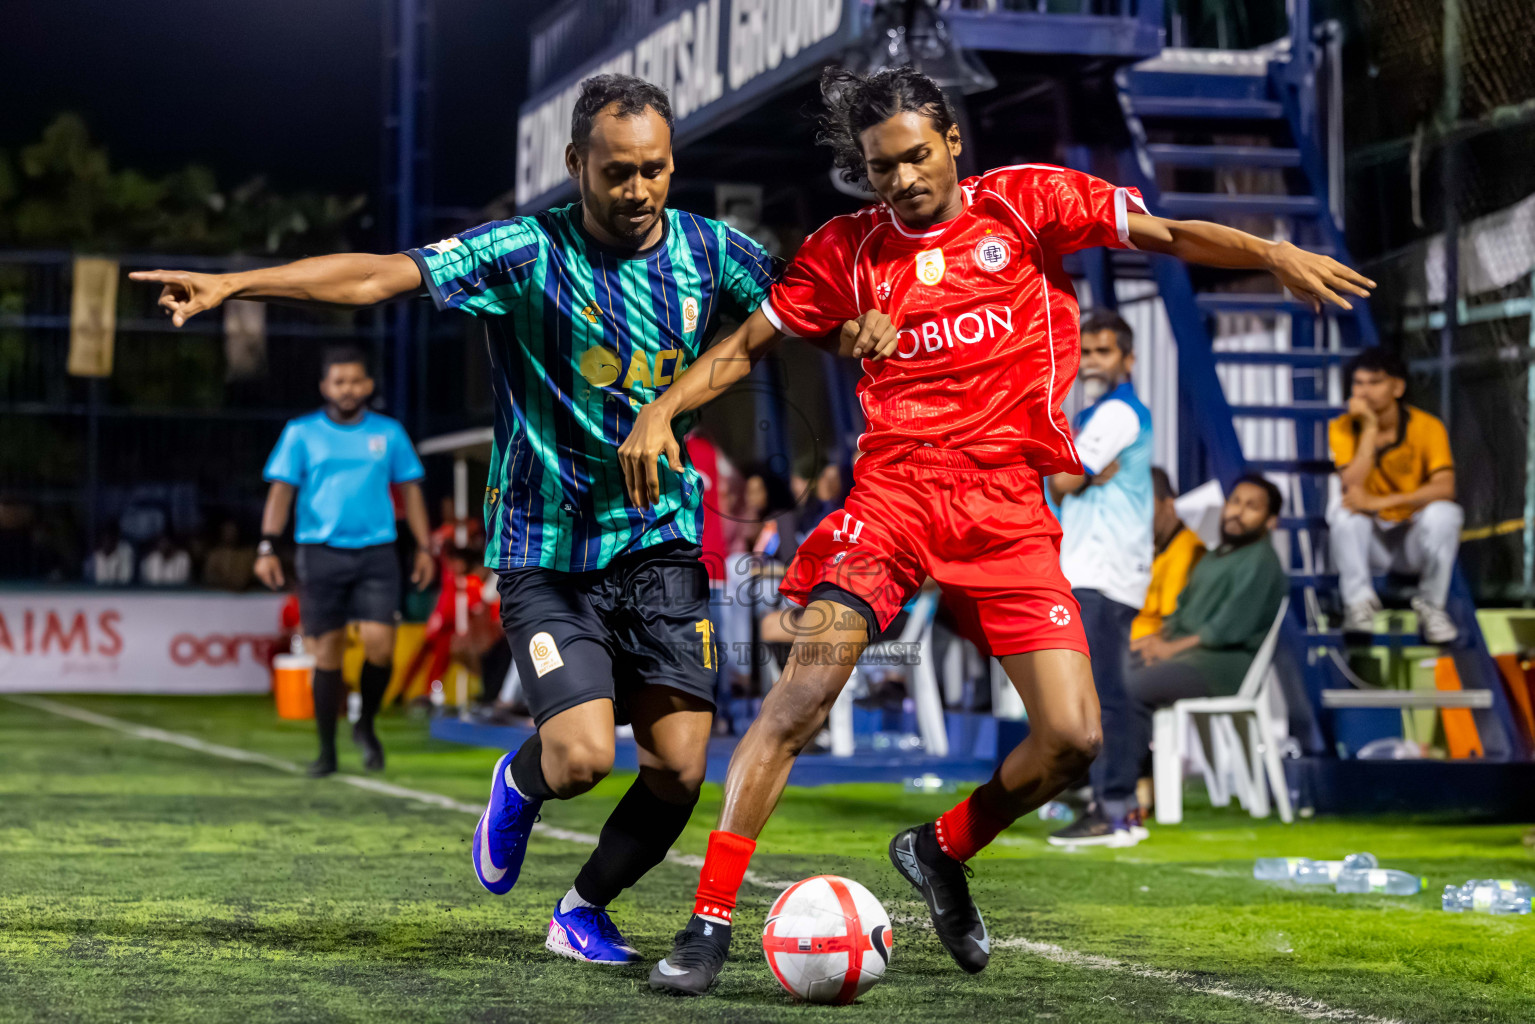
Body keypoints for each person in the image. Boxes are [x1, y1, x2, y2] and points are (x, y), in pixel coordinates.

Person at [620, 65, 1373, 994]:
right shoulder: (847, 251)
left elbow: (1170, 233)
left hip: (1006, 508)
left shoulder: (1025, 204)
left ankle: (940, 849)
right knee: (801, 694)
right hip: (891, 502)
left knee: (1073, 740)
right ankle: (707, 922)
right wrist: (661, 410)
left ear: (951, 142)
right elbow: (745, 345)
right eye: (880, 167)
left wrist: (1268, 251)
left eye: (914, 156)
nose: (901, 179)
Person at [132, 74, 893, 965]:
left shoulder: (712, 249)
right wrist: (236, 284)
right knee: (579, 759)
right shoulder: (524, 250)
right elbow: (379, 276)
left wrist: (859, 329)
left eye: (653, 169)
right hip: (548, 551)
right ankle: (521, 780)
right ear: (576, 163)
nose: (638, 189)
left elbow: (800, 309)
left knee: (681, 768)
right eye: (616, 171)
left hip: (660, 542)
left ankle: (581, 910)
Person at [254, 346, 435, 776]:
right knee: (327, 654)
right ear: (325, 386)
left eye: (355, 381)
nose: (347, 389)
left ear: (368, 385)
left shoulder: (389, 433)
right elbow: (281, 491)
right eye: (339, 382)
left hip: (377, 551)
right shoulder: (301, 433)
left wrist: (426, 547)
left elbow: (410, 491)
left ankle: (365, 723)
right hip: (319, 552)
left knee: (381, 646)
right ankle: (326, 751)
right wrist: (267, 546)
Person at [1091, 474, 1288, 833]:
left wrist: (1168, 649)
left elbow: (1226, 629)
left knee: (1130, 687)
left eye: (1252, 507)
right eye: (1235, 501)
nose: (1237, 512)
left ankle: (1123, 794)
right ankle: (1111, 788)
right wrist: (1149, 643)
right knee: (1108, 674)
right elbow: (1181, 614)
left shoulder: (1261, 561)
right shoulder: (1216, 555)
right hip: (1190, 655)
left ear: (1271, 520)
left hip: (1223, 666)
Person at [1046, 310, 1154, 848]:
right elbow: (1063, 479)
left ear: (1128, 359)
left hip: (1104, 572)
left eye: (1103, 352)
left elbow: (1063, 480)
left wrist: (1067, 473)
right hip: (1091, 569)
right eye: (1085, 351)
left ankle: (1116, 810)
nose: (1090, 362)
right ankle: (1106, 802)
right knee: (1093, 693)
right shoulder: (1092, 416)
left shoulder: (1116, 413)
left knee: (1105, 695)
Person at [1327, 348, 1462, 643]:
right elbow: (1352, 484)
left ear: (1397, 387)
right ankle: (1359, 604)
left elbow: (1445, 488)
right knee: (1342, 511)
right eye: (1358, 383)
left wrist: (1381, 502)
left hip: (1412, 542)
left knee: (1446, 513)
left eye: (1374, 382)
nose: (1364, 392)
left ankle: (1432, 607)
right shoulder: (1342, 427)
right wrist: (1369, 430)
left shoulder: (1428, 426)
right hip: (1371, 545)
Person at [1130, 468, 1206, 646]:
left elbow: (1171, 629)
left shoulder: (1186, 550)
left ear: (1170, 506)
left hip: (1142, 651)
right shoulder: (1155, 546)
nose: (1137, 516)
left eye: (1145, 505)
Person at [203, 520, 256, 591]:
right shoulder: (215, 554)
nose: (230, 534)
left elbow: (254, 576)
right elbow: (209, 576)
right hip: (219, 593)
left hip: (246, 593)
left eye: (233, 531)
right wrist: (225, 584)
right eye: (227, 531)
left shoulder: (248, 553)